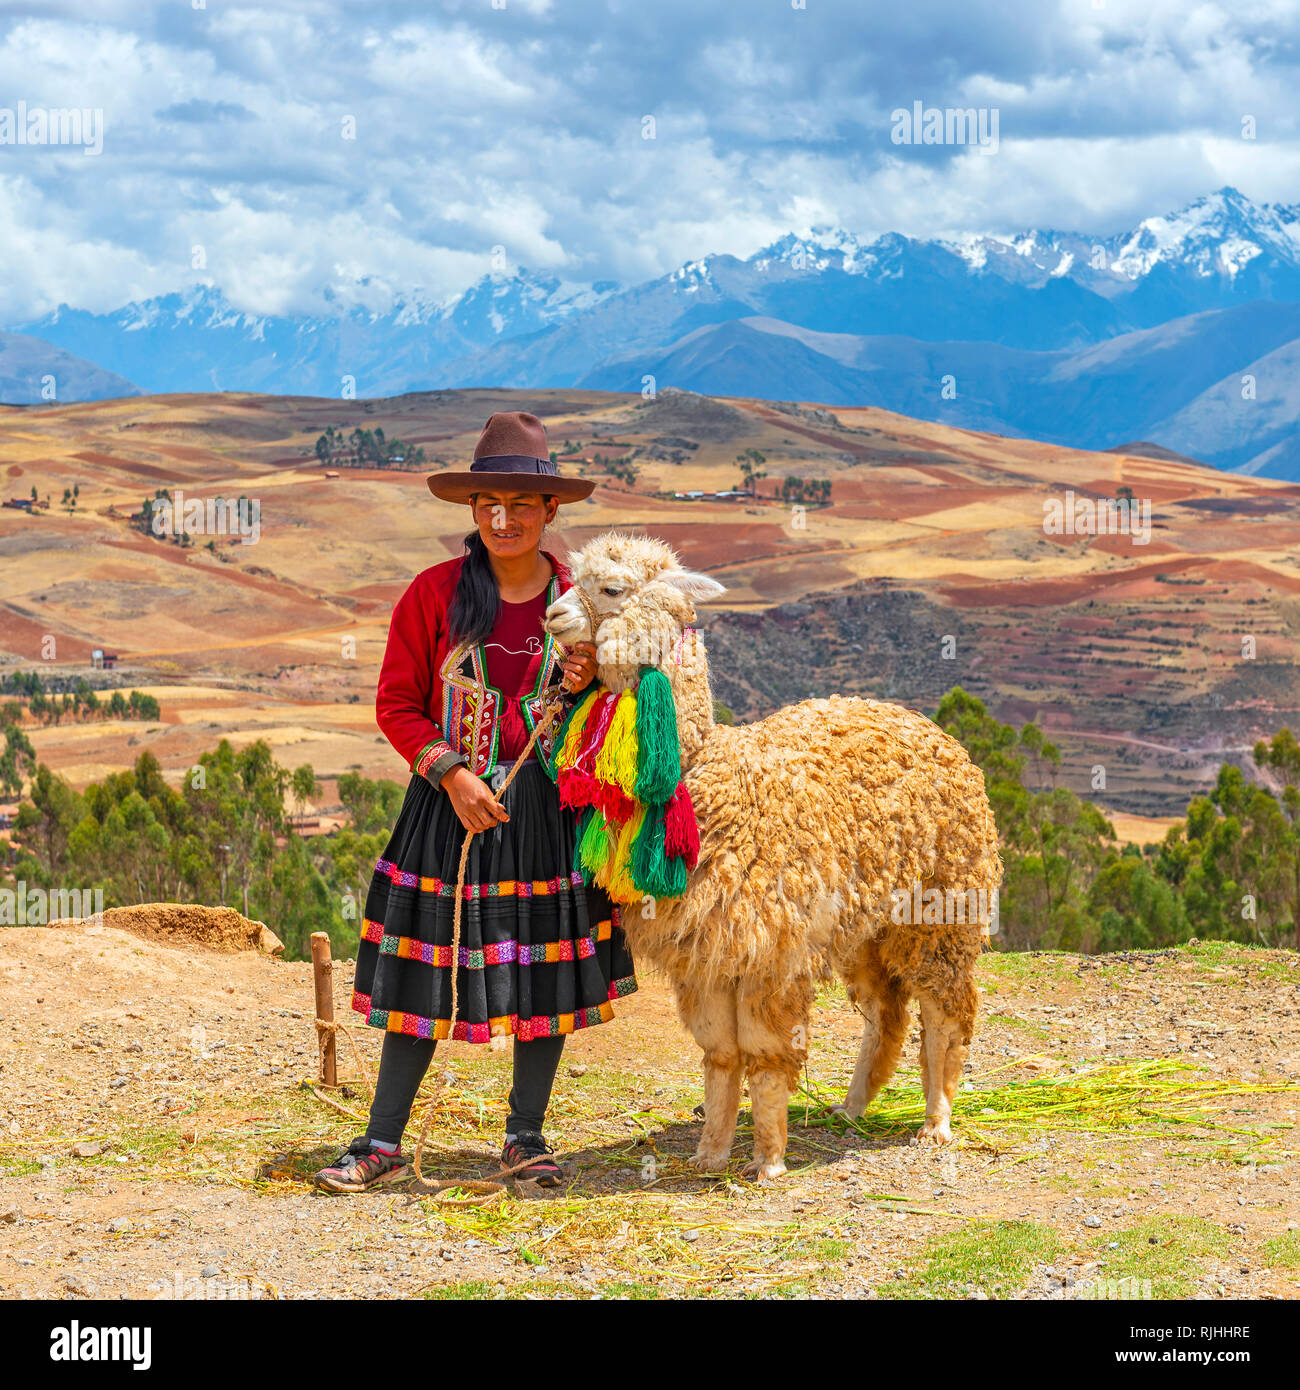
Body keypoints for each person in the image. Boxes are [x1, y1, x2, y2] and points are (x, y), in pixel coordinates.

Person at [314, 411, 637, 1192]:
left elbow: (625, 709)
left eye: (520, 505)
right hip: (446, 806)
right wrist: (453, 775)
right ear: (471, 510)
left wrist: (597, 679)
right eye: (487, 503)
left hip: (547, 815)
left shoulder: (583, 605)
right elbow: (397, 705)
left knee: (540, 973)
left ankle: (525, 1137)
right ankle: (383, 1140)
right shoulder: (432, 597)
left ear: (551, 511)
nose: (503, 519)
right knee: (423, 974)